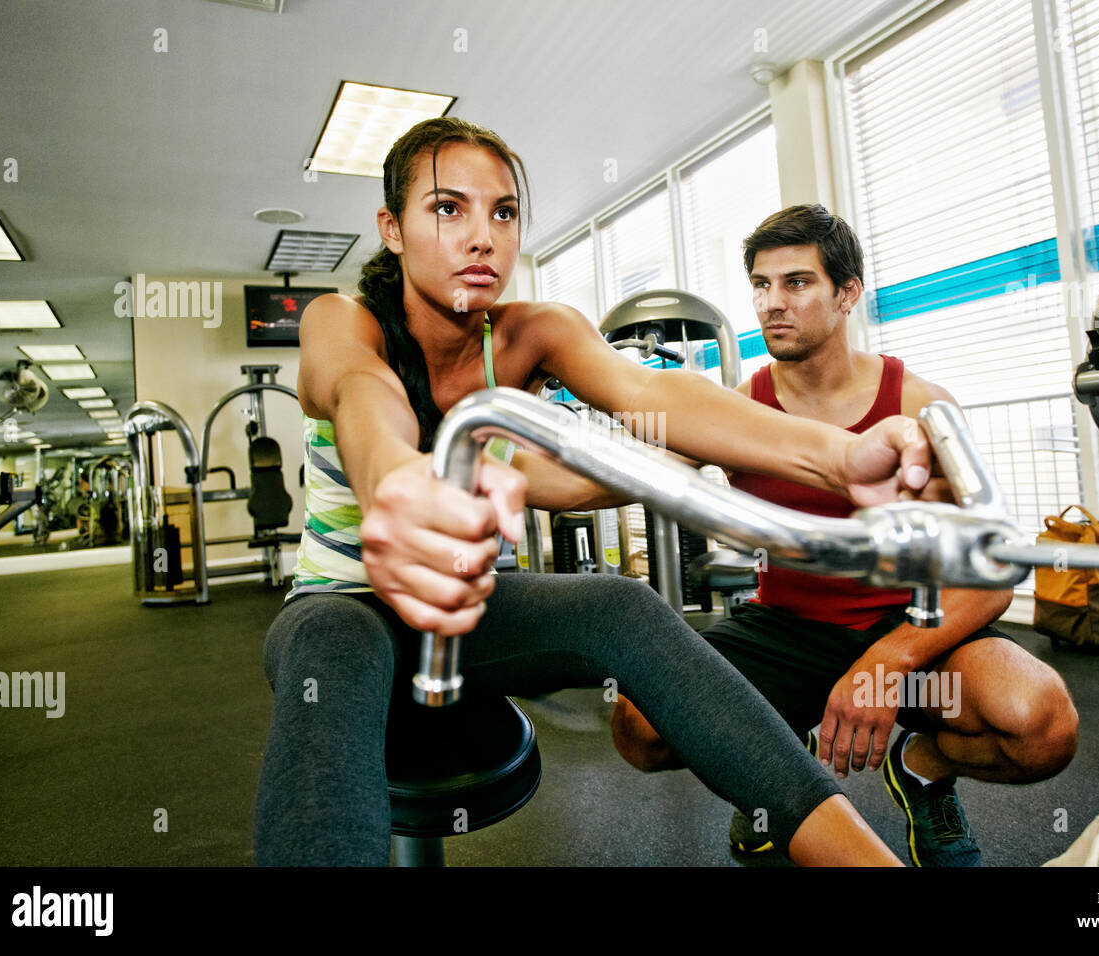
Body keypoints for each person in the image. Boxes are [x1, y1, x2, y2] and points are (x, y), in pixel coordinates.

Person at [252, 118, 941, 866]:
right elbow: (362, 394)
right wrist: (395, 480)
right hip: (342, 602)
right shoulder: (339, 321)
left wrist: (843, 457)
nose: (483, 236)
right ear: (392, 227)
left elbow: (649, 391)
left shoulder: (529, 334)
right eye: (448, 208)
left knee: (622, 606)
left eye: (504, 212)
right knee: (329, 643)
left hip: (478, 612)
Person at [610, 205, 1080, 867]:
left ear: (848, 292)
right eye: (761, 285)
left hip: (907, 626)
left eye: (796, 283)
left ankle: (922, 769)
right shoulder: (738, 406)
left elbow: (991, 571)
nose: (773, 303)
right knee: (641, 725)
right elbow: (627, 472)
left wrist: (886, 663)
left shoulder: (919, 404)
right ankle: (776, 771)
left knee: (1041, 724)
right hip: (784, 630)